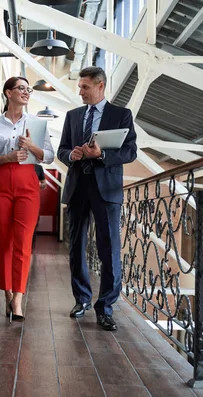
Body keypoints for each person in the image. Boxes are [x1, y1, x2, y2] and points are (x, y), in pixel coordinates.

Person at [57, 66, 137, 331]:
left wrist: (100, 155)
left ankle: (105, 308)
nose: (80, 92)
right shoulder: (73, 116)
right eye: (80, 87)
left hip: (107, 188)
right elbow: (62, 150)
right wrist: (72, 155)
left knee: (110, 248)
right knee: (76, 246)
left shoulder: (121, 115)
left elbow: (130, 152)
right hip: (78, 186)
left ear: (100, 86)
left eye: (85, 87)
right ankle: (82, 300)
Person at [0, 76, 54, 322]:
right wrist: (6, 158)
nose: (26, 92)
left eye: (28, 89)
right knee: (2, 240)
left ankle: (19, 298)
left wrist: (32, 146)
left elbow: (49, 157)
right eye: (21, 88)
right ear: (8, 93)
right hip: (1, 182)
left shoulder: (36, 123)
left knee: (23, 241)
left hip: (27, 183)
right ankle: (7, 293)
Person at [31, 164, 47, 252]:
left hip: (33, 198)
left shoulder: (38, 167)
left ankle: (30, 248)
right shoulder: (17, 163)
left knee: (34, 224)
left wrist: (38, 184)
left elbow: (44, 184)